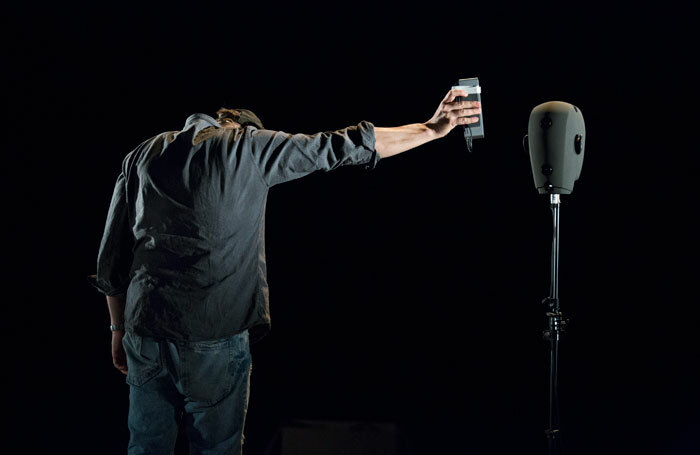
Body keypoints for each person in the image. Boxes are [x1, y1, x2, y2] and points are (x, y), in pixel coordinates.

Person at [93, 88, 481, 454]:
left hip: (145, 333)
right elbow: (340, 146)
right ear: (242, 126)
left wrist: (117, 329)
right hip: (215, 335)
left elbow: (111, 257)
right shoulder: (249, 145)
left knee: (144, 447)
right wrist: (432, 130)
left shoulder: (142, 153)